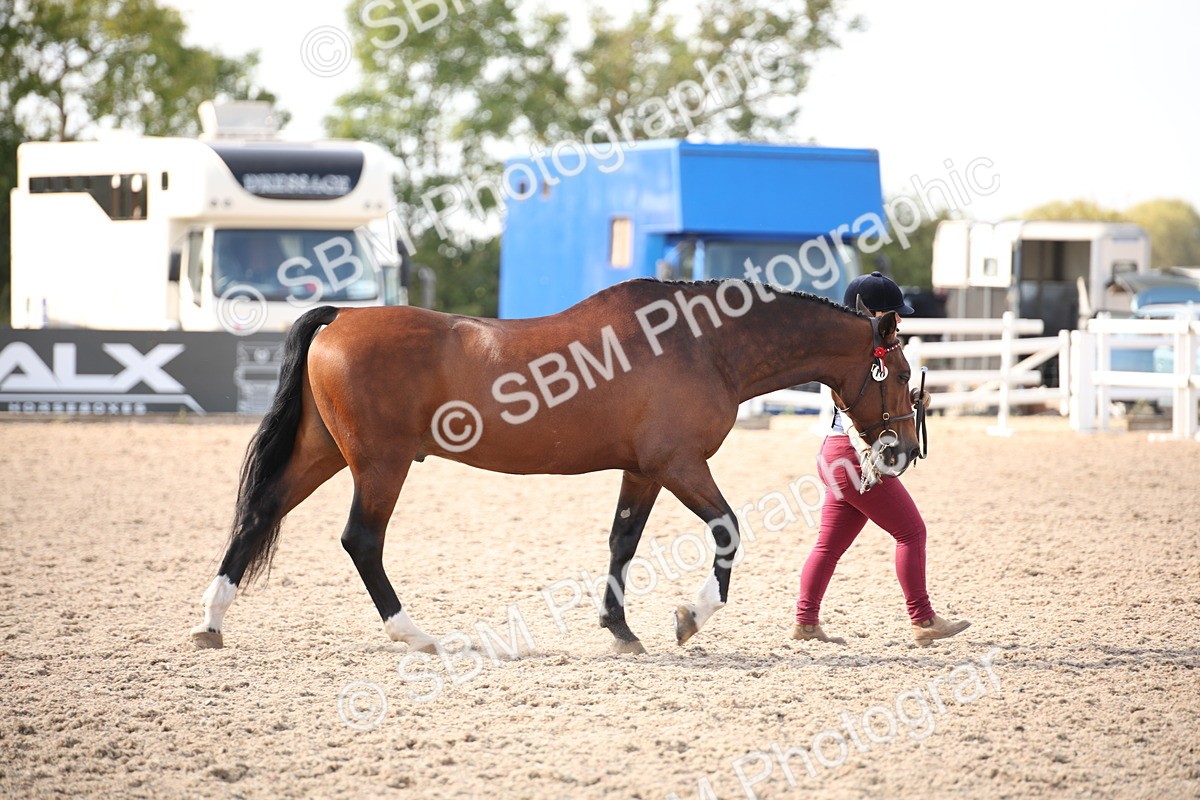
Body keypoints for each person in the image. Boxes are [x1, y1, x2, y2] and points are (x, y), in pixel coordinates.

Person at [791, 272, 970, 647]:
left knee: (828, 546)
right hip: (856, 456)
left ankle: (806, 623)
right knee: (912, 532)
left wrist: (911, 397)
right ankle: (923, 619)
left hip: (833, 453)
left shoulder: (845, 350)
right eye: (892, 313)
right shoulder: (864, 352)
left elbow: (878, 397)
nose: (898, 320)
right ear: (872, 313)